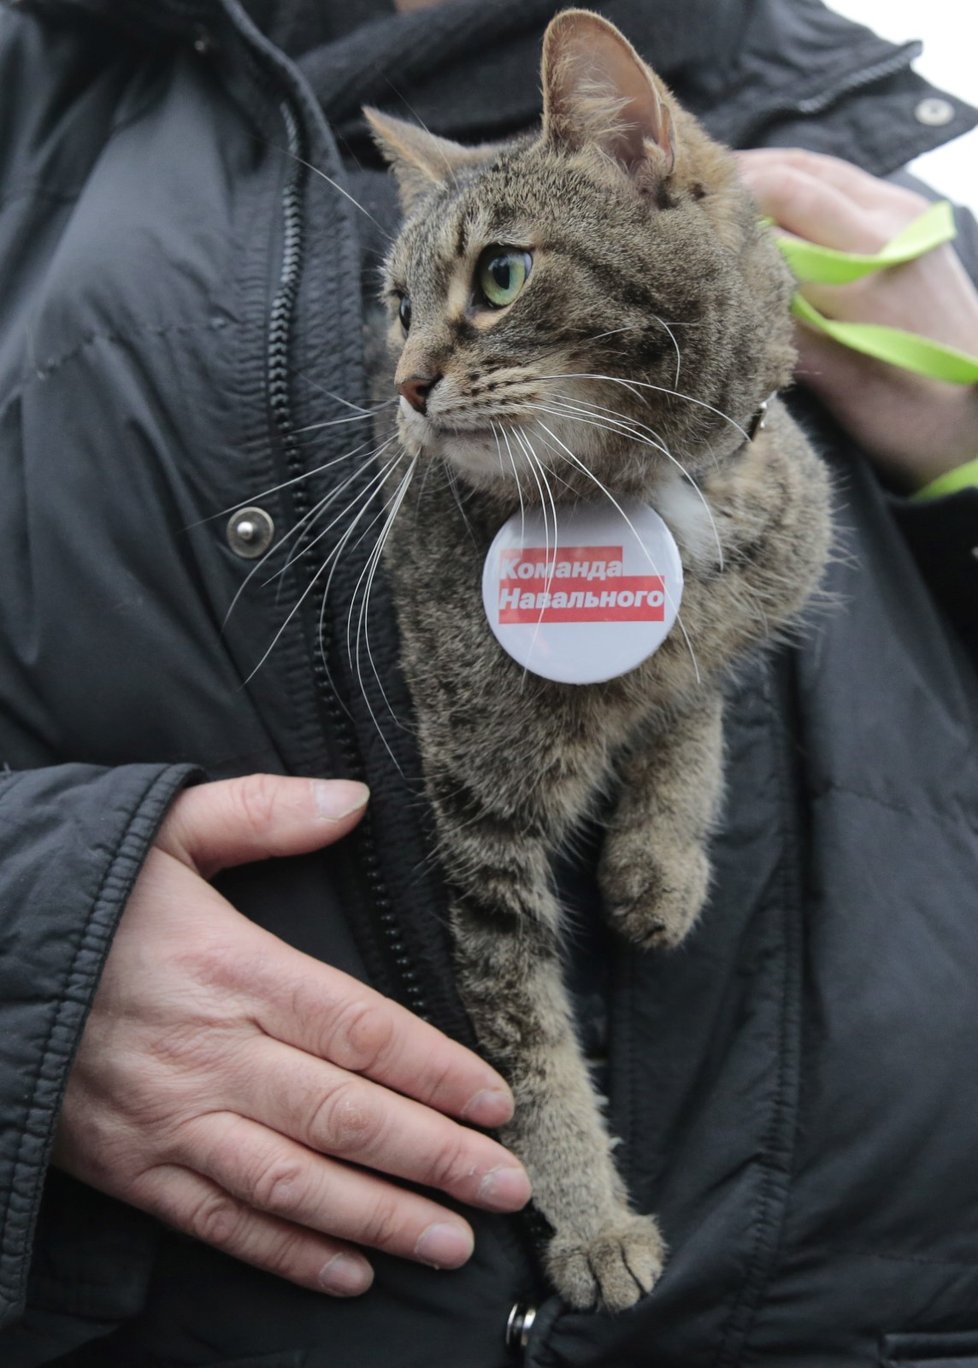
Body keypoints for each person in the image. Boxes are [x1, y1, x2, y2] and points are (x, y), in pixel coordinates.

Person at [0, 0, 976, 1364]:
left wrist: (970, 443)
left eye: (485, 292)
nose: (414, 376)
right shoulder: (35, 93)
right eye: (407, 317)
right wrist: (32, 946)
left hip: (881, 1311)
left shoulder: (879, 131)